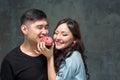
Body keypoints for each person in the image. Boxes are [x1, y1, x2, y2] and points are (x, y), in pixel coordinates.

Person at [0, 9, 49, 80]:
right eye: (39, 27)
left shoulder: (52, 52)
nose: (45, 32)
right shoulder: (11, 60)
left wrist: (50, 58)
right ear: (24, 29)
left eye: (46, 27)